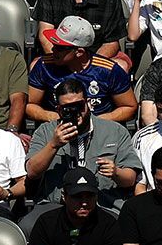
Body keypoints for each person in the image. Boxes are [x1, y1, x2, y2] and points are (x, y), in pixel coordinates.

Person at [26, 78, 130, 213]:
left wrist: (116, 172)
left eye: (79, 106)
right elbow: (32, 172)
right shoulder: (45, 131)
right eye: (67, 108)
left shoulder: (115, 131)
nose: (75, 112)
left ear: (87, 104)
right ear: (58, 109)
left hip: (102, 205)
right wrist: (53, 145)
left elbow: (130, 179)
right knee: (27, 226)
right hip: (56, 206)